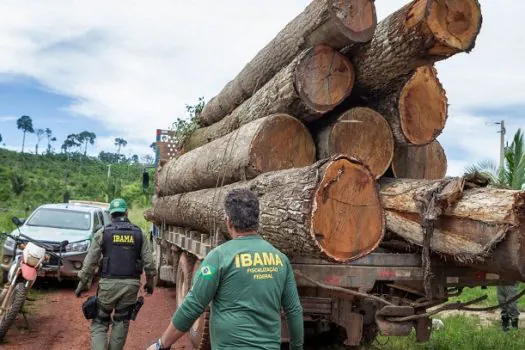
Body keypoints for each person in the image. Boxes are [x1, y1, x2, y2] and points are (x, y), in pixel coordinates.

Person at [147, 188, 304, 350]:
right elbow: (294, 310)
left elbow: (193, 305)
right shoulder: (280, 259)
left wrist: (162, 344)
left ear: (228, 222)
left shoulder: (219, 257)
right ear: (257, 221)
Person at [76, 198, 157, 350]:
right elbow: (149, 264)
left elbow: (90, 261)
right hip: (131, 287)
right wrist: (150, 283)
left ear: (111, 215)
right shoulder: (139, 233)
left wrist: (82, 283)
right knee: (121, 320)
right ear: (126, 212)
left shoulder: (103, 232)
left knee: (100, 321)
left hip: (108, 285)